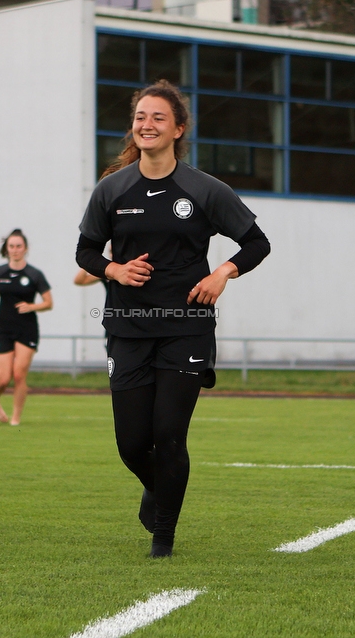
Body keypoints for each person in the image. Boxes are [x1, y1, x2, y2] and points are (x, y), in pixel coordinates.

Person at [76, 80, 270, 558]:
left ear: (178, 129)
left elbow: (257, 243)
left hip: (186, 327)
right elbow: (85, 251)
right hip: (127, 329)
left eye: (158, 118)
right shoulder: (112, 189)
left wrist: (223, 272)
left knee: (168, 434)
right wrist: (114, 268)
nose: (147, 124)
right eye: (141, 117)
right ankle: (159, 488)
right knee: (131, 443)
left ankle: (163, 537)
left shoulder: (203, 189)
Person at [0, 229, 52, 426]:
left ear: (26, 249)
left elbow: (48, 303)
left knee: (19, 374)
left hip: (27, 329)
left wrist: (31, 306)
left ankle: (15, 418)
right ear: (7, 249)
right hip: (3, 328)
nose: (15, 250)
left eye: (19, 246)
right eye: (11, 247)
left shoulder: (34, 274)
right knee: (4, 378)